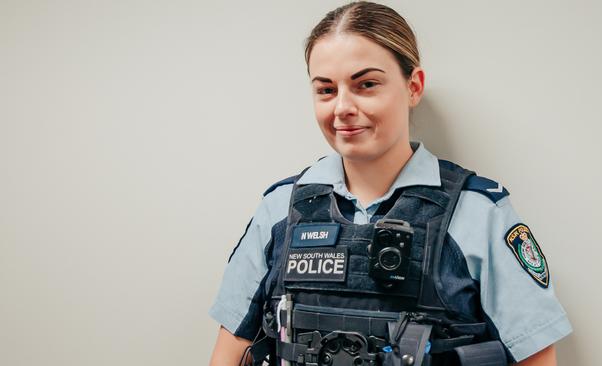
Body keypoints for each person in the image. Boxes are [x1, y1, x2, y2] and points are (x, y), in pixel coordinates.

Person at [208, 1, 572, 365]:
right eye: (326, 90)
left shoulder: (478, 214)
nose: (342, 108)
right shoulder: (280, 209)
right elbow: (230, 352)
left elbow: (536, 357)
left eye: (366, 84)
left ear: (413, 87)